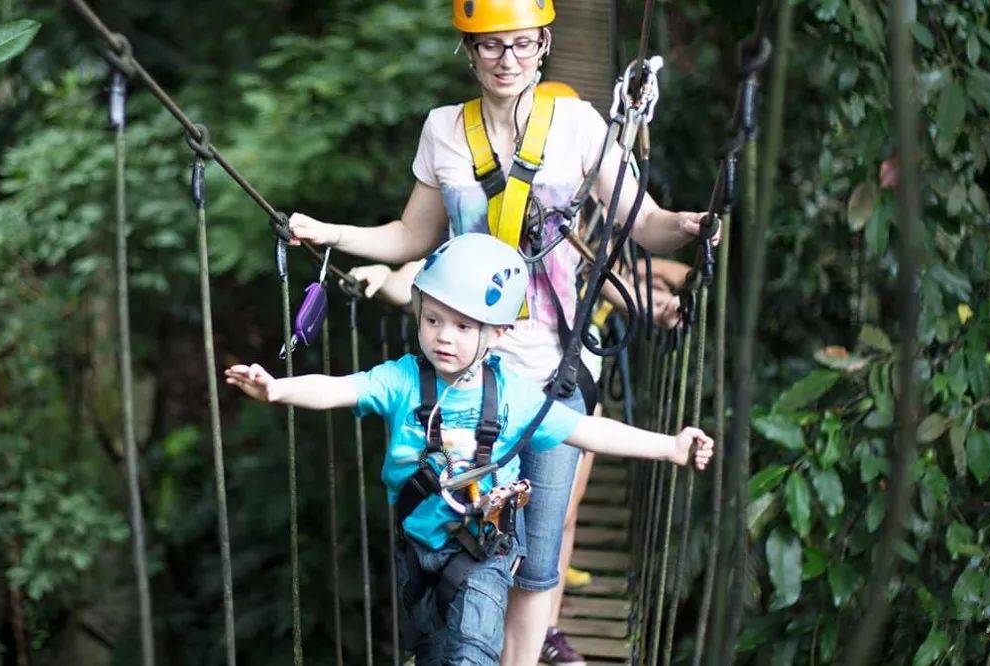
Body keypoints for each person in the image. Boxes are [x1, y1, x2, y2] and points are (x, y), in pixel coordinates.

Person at [285, 0, 716, 661]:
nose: (507, 59)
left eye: (520, 44)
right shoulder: (443, 130)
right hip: (463, 371)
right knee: (459, 543)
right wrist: (330, 234)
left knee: (539, 556)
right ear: (469, 51)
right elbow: (410, 235)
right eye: (490, 46)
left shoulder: (576, 123)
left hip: (549, 374)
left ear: (544, 44)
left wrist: (686, 226)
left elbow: (641, 220)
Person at [225, 234, 714, 665]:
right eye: (433, 319)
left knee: (472, 651)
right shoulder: (400, 380)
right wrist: (277, 390)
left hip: (486, 552)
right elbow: (339, 388)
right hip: (418, 551)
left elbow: (585, 431)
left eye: (463, 327)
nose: (443, 336)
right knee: (434, 651)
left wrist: (669, 446)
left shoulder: (515, 396)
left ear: (498, 334)